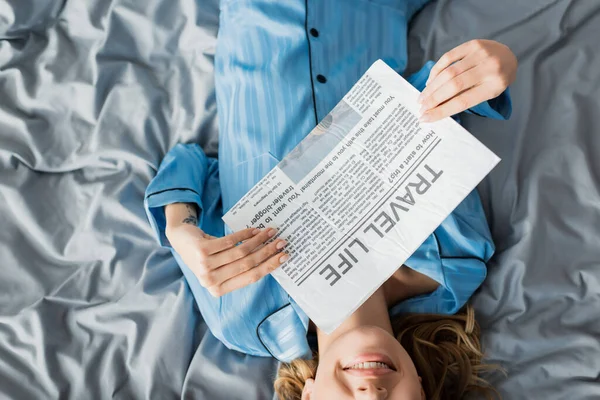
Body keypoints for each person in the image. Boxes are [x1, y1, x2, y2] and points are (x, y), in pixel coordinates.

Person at [144, 1, 518, 398]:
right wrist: (497, 67)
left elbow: (188, 162)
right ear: (423, 391)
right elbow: (431, 102)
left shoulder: (242, 316)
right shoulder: (456, 260)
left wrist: (180, 229)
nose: (372, 394)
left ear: (307, 397)